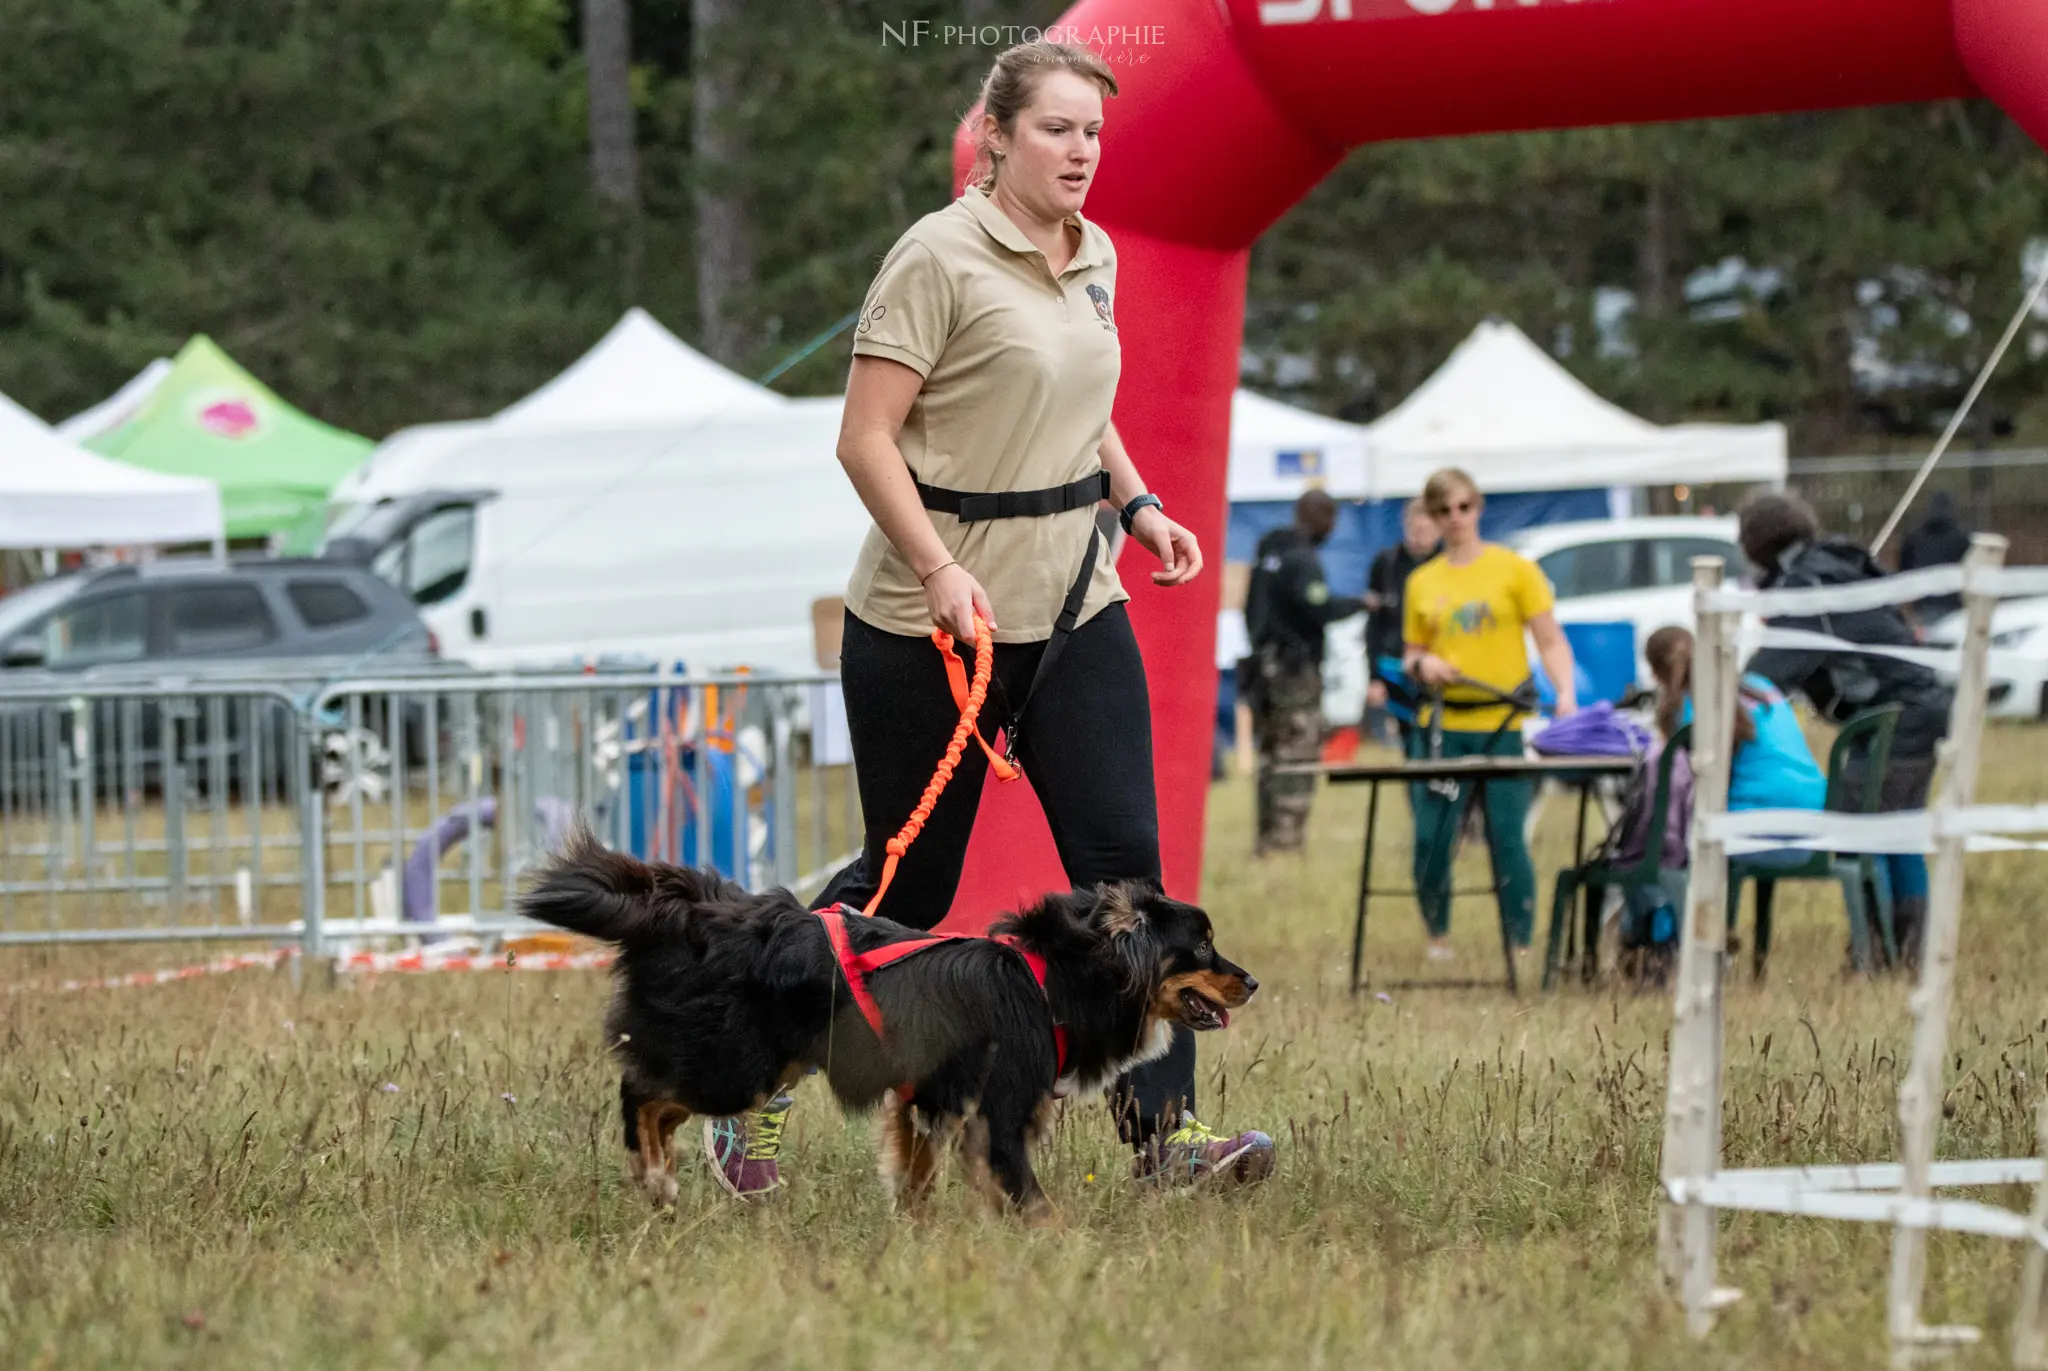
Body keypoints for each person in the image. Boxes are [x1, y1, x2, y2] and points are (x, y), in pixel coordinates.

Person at [701, 40, 1275, 1200]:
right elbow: (863, 440)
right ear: (998, 135)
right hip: (931, 623)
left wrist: (1139, 503)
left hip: (1073, 604)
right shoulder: (935, 256)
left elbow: (1079, 406)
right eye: (1057, 130)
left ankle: (1161, 1138)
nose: (1080, 154)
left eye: (1094, 134)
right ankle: (745, 1077)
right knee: (909, 892)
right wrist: (936, 567)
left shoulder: (1095, 251)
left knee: (1128, 878)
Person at [1737, 490, 1953, 966]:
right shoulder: (1838, 564)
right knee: (1899, 831)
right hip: (1923, 707)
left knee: (1864, 830)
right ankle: (1906, 950)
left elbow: (1764, 676)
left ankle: (1878, 952)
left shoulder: (1808, 586)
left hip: (1897, 716)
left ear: (1754, 543)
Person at [1401, 468, 1578, 963]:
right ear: (1433, 518)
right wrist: (1424, 664)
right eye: (1444, 511)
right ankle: (1438, 937)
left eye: (1464, 507)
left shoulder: (1515, 571)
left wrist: (1565, 694)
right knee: (1430, 839)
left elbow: (1549, 638)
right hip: (1441, 730)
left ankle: (1519, 942)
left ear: (1477, 507)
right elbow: (1410, 654)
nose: (1456, 518)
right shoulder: (1422, 582)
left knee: (1509, 840)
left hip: (1502, 726)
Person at [1242, 489, 1366, 853]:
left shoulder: (1269, 554)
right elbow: (1319, 608)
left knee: (1270, 754)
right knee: (1296, 754)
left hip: (1263, 667)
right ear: (1321, 518)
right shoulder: (1301, 559)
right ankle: (1285, 842)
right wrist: (1362, 603)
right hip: (1294, 671)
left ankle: (1266, 841)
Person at [1364, 498, 1440, 743]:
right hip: (1395, 665)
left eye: (1427, 531)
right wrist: (1374, 677)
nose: (1420, 537)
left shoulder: (1446, 565)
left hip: (1435, 667)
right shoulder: (1387, 563)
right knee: (1409, 738)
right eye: (1415, 530)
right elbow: (1374, 625)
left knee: (1436, 736)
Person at [1898, 490, 1972, 622]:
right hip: (1954, 602)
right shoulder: (1963, 538)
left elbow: (1904, 568)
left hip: (1924, 604)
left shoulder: (1915, 538)